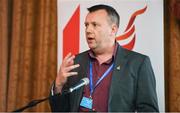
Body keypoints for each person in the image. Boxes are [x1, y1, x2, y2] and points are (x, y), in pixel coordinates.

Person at [49, 4, 159, 112]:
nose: (88, 30)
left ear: (113, 29)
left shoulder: (138, 63)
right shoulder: (76, 62)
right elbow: (60, 110)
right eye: (86, 25)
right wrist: (58, 85)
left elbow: (149, 110)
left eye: (95, 25)